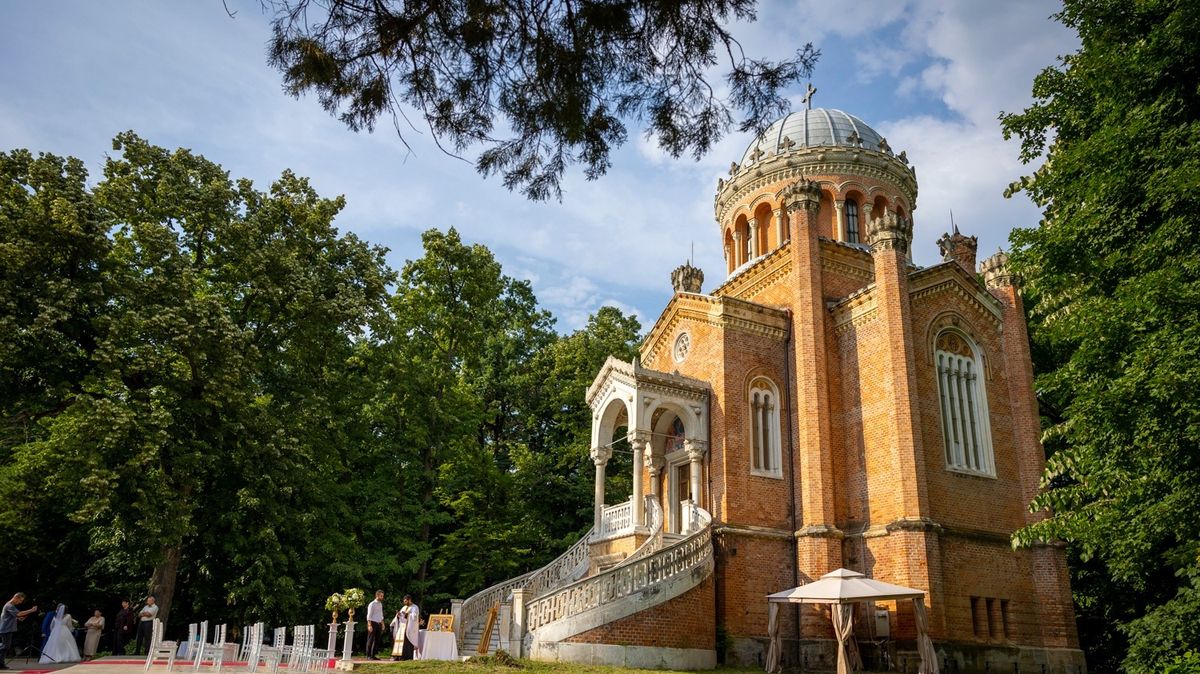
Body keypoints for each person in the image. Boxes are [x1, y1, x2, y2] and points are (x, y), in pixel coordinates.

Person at [0, 593, 38, 670]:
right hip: (6, 629)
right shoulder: (9, 605)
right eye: (20, 600)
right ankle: (1, 664)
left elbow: (11, 616)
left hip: (7, 629)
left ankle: (1, 664)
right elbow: (19, 613)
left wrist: (18, 619)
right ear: (16, 597)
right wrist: (31, 610)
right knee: (5, 646)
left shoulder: (9, 605)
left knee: (5, 646)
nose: (20, 602)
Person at [390, 595, 420, 661]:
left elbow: (415, 617)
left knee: (406, 643)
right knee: (399, 642)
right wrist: (398, 615)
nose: (405, 602)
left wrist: (407, 615)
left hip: (409, 628)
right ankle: (397, 656)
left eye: (406, 601)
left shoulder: (415, 607)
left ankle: (406, 657)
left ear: (409, 600)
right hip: (401, 627)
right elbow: (401, 617)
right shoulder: (404, 607)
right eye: (404, 601)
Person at [364, 590, 384, 660]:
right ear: (377, 595)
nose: (382, 597)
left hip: (379, 623)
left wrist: (382, 624)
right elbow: (369, 615)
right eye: (381, 596)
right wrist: (369, 625)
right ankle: (368, 655)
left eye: (382, 596)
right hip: (372, 623)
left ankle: (373, 655)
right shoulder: (372, 604)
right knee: (370, 639)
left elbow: (381, 614)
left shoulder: (380, 604)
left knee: (377, 640)